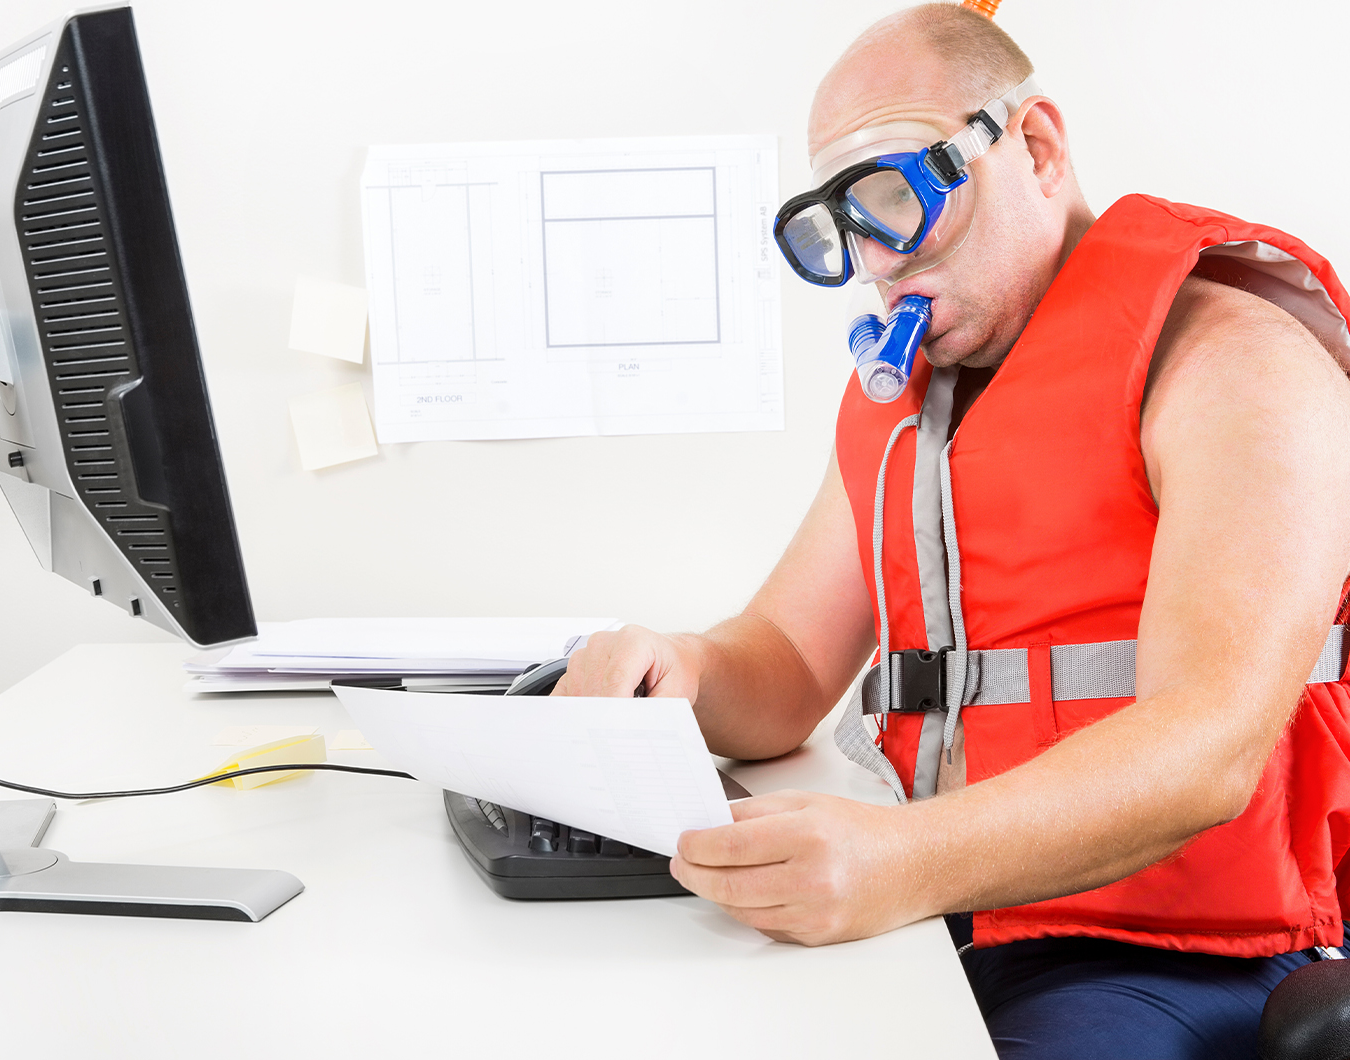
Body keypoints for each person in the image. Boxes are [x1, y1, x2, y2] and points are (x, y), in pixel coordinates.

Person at [552, 3, 1350, 1057]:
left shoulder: (1235, 363)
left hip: (1177, 951)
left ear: (1036, 147)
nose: (879, 260)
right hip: (953, 910)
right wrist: (680, 667)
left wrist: (902, 858)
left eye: (902, 197)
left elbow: (1206, 750)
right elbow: (787, 666)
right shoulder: (912, 408)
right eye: (845, 226)